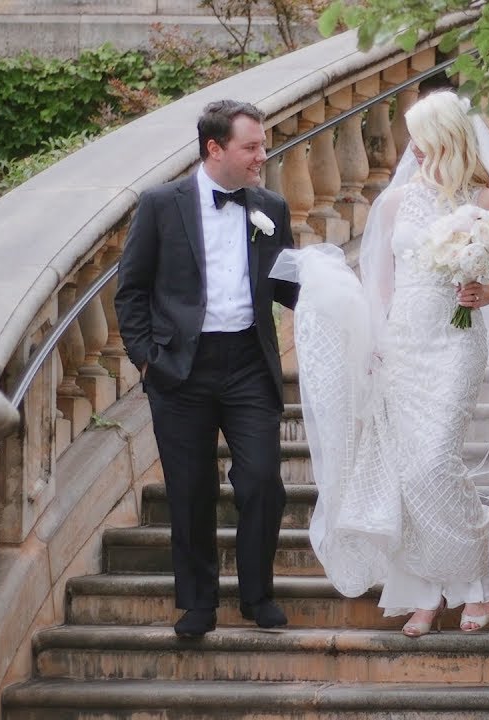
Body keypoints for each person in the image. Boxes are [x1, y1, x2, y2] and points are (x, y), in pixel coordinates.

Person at [271, 90, 489, 636]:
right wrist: (375, 348)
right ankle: (428, 589)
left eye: (421, 137)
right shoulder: (393, 204)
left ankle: (474, 581)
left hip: (456, 345)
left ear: (447, 139)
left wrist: (486, 292)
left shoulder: (487, 205)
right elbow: (380, 289)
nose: (413, 148)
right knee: (410, 473)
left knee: (435, 462)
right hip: (403, 346)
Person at [115, 100, 300, 638]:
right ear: (214, 148)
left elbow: (289, 286)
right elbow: (131, 290)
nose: (261, 156)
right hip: (181, 370)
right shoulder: (159, 205)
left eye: (262, 145)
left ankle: (256, 594)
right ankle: (198, 603)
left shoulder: (272, 207)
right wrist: (147, 361)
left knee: (263, 480)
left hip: (248, 361)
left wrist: (336, 296)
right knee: (190, 489)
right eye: (251, 147)